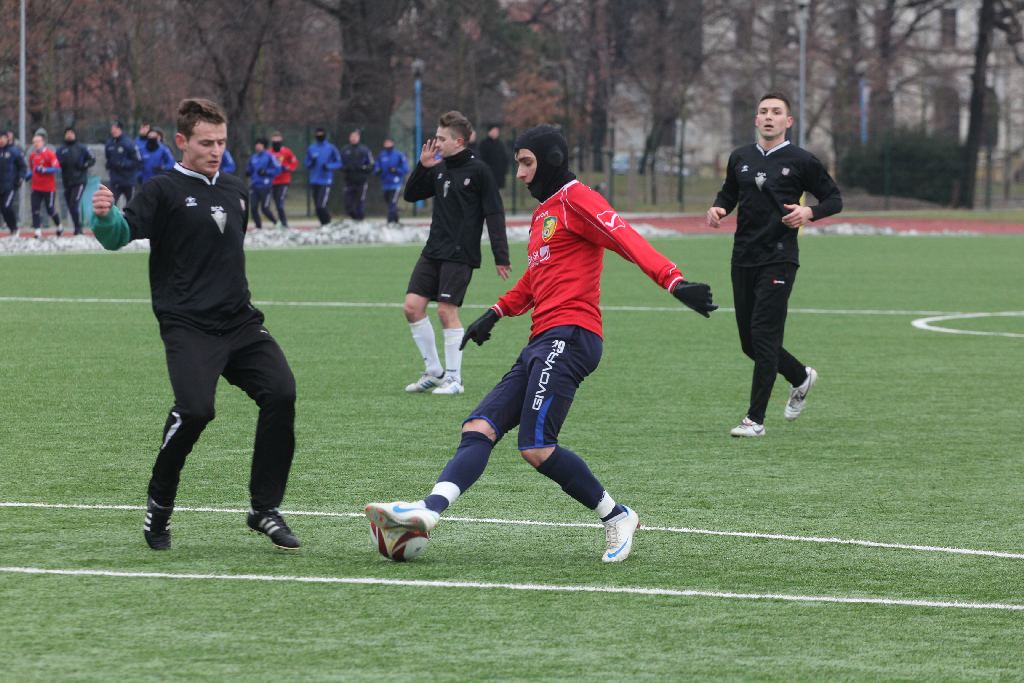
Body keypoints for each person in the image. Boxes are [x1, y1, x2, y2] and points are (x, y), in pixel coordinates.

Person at [365, 124, 717, 563]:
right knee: (478, 428)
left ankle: (617, 516)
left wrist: (674, 281)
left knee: (536, 446)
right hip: (541, 340)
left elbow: (624, 236)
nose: (520, 174)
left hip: (573, 336)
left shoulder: (578, 199)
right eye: (517, 163)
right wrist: (494, 313)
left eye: (526, 163)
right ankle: (428, 512)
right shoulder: (543, 214)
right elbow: (536, 278)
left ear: (550, 161)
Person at [89, 98, 300, 551]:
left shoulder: (237, 189)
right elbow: (119, 236)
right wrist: (103, 217)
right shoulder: (161, 190)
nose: (216, 150)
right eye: (206, 142)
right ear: (181, 142)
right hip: (188, 326)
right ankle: (159, 504)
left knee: (281, 392)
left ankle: (264, 509)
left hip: (241, 322)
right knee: (197, 411)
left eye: (222, 142)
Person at [706, 92, 842, 438]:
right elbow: (729, 193)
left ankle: (755, 420)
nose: (769, 116)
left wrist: (808, 212)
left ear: (788, 121)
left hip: (779, 259)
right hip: (743, 257)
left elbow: (834, 198)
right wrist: (719, 208)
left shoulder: (801, 160)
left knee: (764, 338)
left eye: (776, 112)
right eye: (763, 111)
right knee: (749, 344)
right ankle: (800, 376)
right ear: (756, 119)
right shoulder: (740, 157)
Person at [401, 111, 511, 396]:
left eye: (441, 138)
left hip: (460, 253)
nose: (435, 143)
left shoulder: (479, 171)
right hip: (433, 250)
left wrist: (501, 255)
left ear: (458, 141)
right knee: (412, 307)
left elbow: (494, 213)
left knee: (446, 311)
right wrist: (422, 167)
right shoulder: (438, 167)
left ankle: (454, 379)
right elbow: (411, 196)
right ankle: (435, 372)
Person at [56, 127, 96, 235]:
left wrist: (84, 165)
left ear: (74, 135)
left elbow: (92, 158)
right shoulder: (61, 150)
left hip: (79, 180)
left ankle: (78, 229)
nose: (69, 135)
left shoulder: (81, 148)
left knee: (74, 204)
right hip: (67, 181)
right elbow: (56, 163)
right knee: (70, 206)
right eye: (67, 133)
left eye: (71, 133)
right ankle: (77, 226)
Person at [305, 127, 342, 225]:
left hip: (325, 180)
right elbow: (307, 164)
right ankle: (323, 224)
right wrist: (311, 163)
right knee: (317, 207)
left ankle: (328, 223)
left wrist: (329, 166)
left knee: (321, 205)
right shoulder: (311, 148)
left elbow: (339, 162)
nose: (319, 135)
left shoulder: (331, 148)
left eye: (321, 133)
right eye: (318, 134)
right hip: (314, 180)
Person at [28, 130, 61, 238]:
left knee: (50, 209)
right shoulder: (32, 156)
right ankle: (37, 231)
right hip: (36, 187)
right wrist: (28, 175)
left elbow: (57, 169)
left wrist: (45, 170)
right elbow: (32, 169)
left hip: (48, 188)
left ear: (43, 142)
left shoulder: (49, 154)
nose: (36, 144)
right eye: (34, 142)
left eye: (38, 141)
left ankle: (59, 225)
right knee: (35, 209)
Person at [245, 137, 281, 229]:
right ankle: (258, 228)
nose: (257, 146)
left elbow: (278, 169)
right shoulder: (253, 157)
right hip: (254, 186)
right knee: (253, 208)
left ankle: (276, 223)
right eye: (256, 144)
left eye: (260, 144)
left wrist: (266, 172)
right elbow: (250, 169)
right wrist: (248, 172)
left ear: (264, 146)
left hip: (265, 186)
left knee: (265, 208)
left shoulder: (269, 156)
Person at [339, 129, 373, 221]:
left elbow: (371, 165)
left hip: (361, 181)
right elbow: (339, 163)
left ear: (359, 137)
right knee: (348, 203)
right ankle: (354, 219)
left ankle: (360, 221)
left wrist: (363, 168)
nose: (353, 138)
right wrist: (345, 168)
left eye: (355, 136)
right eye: (352, 136)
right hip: (349, 181)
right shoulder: (345, 150)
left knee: (360, 203)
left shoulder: (364, 150)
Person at [373, 137, 409, 224]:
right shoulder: (381, 155)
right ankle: (396, 219)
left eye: (389, 142)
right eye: (386, 143)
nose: (387, 144)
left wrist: (396, 170)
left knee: (392, 203)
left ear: (392, 143)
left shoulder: (398, 155)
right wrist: (377, 171)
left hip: (395, 184)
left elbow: (406, 169)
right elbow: (376, 167)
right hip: (385, 184)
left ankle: (390, 222)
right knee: (389, 203)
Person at [105, 120, 140, 205]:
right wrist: (109, 164)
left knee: (131, 205)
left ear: (120, 129)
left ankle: (128, 218)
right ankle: (113, 218)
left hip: (128, 180)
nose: (113, 131)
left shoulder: (129, 143)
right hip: (115, 180)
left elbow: (137, 161)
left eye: (115, 128)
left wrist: (123, 164)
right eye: (112, 128)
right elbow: (108, 158)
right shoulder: (109, 144)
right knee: (110, 204)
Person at [268, 131, 298, 228]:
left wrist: (288, 167)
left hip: (284, 181)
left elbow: (294, 162)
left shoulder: (287, 151)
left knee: (280, 202)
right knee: (276, 203)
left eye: (278, 141)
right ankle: (279, 223)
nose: (276, 142)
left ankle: (285, 224)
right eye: (274, 141)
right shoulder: (268, 152)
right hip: (272, 181)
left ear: (281, 141)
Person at [0, 131, 26, 236]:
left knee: (6, 207)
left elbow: (22, 166)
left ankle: (14, 228)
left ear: (7, 139)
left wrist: (20, 178)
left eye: (3, 138)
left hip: (10, 186)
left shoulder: (14, 151)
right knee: (3, 209)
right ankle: (12, 229)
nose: (1, 140)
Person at [478, 124, 509, 190]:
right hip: (488, 175)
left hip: (499, 175)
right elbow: (482, 159)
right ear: (489, 132)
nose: (496, 132)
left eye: (497, 131)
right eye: (494, 131)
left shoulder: (500, 144)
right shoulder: (484, 144)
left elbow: (505, 158)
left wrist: (504, 170)